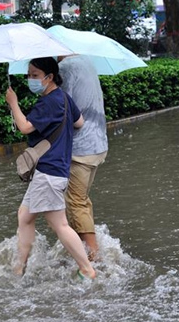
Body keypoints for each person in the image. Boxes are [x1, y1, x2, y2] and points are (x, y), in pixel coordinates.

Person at [6, 57, 96, 280]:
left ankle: (87, 268)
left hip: (49, 172)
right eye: (28, 75)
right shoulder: (63, 98)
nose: (30, 79)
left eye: (35, 75)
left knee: (60, 224)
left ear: (50, 77)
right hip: (55, 170)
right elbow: (79, 122)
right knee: (25, 216)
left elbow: (25, 127)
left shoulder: (48, 102)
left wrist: (13, 103)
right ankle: (19, 269)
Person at [58, 55, 108, 260]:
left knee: (76, 202)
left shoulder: (65, 67)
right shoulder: (87, 62)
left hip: (80, 148)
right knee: (81, 200)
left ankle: (92, 257)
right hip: (98, 143)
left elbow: (62, 106)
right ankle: (82, 248)